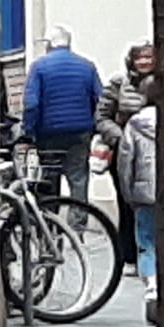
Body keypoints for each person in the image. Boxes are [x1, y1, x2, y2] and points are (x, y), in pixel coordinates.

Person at [20, 25, 103, 202]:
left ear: (49, 44)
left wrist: (28, 131)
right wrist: (93, 126)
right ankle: (77, 226)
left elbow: (31, 104)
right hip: (80, 133)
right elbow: (99, 99)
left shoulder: (39, 67)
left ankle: (51, 223)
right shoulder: (87, 66)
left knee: (49, 179)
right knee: (78, 179)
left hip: (49, 135)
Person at [98, 41, 156, 267]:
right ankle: (129, 254)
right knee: (127, 203)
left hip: (154, 153)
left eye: (148, 57)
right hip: (126, 153)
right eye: (138, 57)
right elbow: (102, 117)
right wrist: (120, 138)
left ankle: (152, 255)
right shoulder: (118, 83)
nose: (143, 62)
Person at [115, 83, 160, 325]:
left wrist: (128, 193)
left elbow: (125, 162)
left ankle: (151, 286)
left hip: (144, 193)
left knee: (146, 243)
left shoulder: (135, 124)